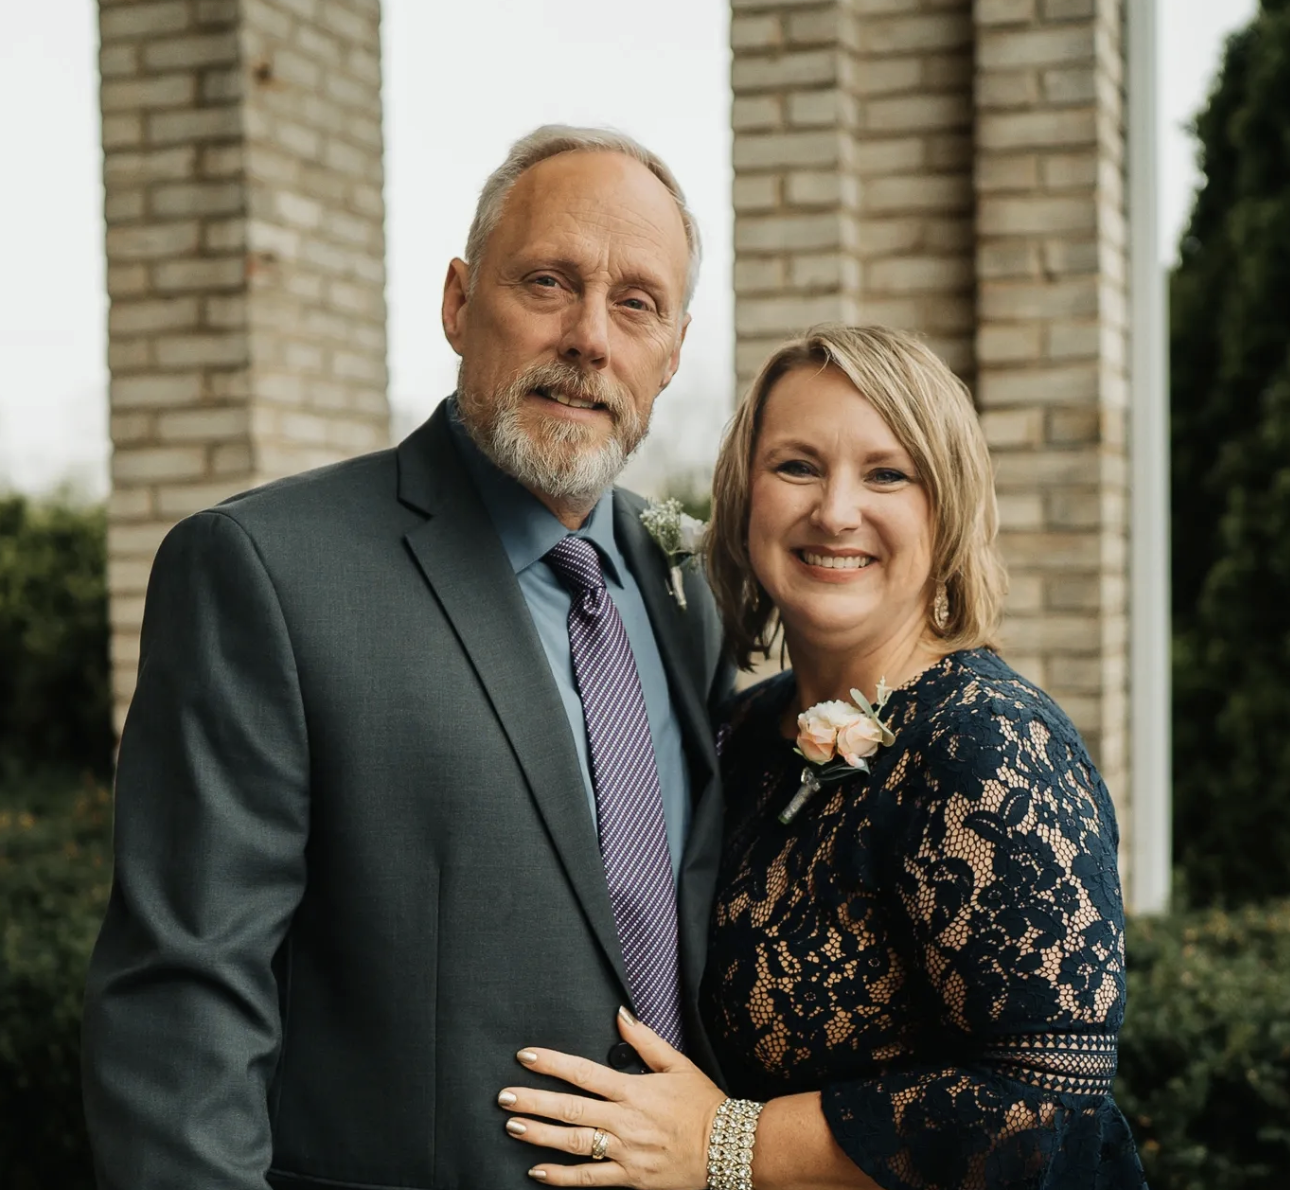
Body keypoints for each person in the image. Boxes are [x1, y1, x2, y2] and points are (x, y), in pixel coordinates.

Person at [81, 126, 733, 1189]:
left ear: (671, 350)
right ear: (458, 303)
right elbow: (182, 1005)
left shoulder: (687, 588)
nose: (588, 337)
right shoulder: (267, 571)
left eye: (635, 304)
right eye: (548, 282)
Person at [499, 325, 1147, 1189]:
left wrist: (724, 1142)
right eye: (798, 466)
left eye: (887, 474)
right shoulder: (743, 729)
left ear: (946, 505)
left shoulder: (987, 745)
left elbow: (1046, 1104)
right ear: (746, 498)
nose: (836, 511)